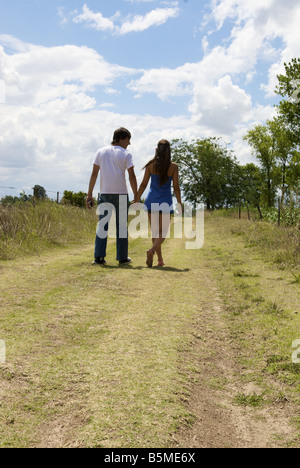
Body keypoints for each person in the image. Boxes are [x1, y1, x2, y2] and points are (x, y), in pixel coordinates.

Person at [87, 127, 137, 265]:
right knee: (121, 226)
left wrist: (89, 194)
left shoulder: (100, 152)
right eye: (128, 139)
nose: (129, 143)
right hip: (121, 193)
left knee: (102, 225)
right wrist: (136, 195)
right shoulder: (126, 154)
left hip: (105, 193)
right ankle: (122, 258)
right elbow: (131, 176)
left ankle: (98, 257)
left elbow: (94, 174)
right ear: (121, 138)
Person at [133, 139, 182, 268]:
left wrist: (137, 198)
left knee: (155, 232)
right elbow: (176, 188)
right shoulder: (173, 167)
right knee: (163, 232)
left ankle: (159, 259)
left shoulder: (151, 165)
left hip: (151, 201)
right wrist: (179, 203)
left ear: (157, 150)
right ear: (169, 151)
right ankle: (152, 251)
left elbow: (144, 184)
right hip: (165, 201)